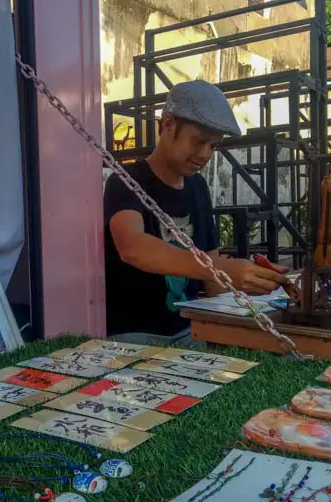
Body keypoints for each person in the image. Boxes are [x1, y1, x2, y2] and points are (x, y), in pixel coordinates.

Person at [104, 80, 287, 337]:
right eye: (199, 141)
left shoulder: (198, 187)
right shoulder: (125, 179)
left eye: (213, 146)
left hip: (191, 331)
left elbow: (214, 285)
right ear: (168, 125)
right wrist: (219, 268)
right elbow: (133, 247)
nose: (205, 154)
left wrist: (253, 279)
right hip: (132, 335)